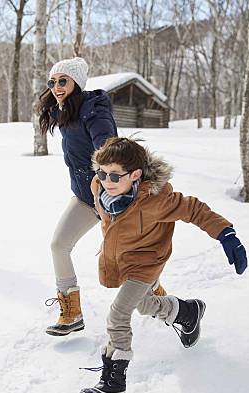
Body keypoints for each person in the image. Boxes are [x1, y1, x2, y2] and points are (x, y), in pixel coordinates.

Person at [78, 137, 248, 393]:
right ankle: (186, 312)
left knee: (119, 312)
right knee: (143, 305)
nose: (106, 180)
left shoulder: (157, 199)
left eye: (113, 175)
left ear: (135, 175)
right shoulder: (100, 186)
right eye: (101, 172)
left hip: (148, 261)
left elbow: (194, 209)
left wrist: (226, 234)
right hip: (124, 259)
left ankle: (113, 383)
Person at [38, 58, 166, 336]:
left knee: (128, 261)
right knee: (59, 245)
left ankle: (158, 294)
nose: (57, 87)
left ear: (77, 83)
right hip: (86, 197)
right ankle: (71, 312)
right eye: (53, 82)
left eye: (63, 81)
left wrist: (107, 170)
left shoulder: (93, 111)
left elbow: (109, 148)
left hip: (114, 200)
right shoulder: (64, 110)